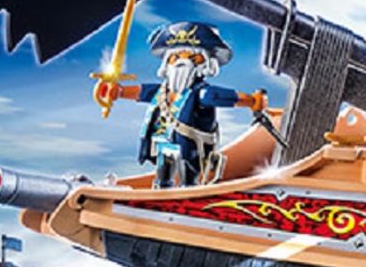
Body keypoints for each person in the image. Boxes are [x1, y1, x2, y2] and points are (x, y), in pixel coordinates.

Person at [94, 22, 267, 188]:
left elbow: (221, 97)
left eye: (193, 57)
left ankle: (188, 190)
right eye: (175, 57)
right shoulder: (163, 90)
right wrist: (118, 91)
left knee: (189, 176)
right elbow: (143, 92)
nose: (182, 61)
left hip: (190, 145)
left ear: (206, 63)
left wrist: (252, 100)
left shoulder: (201, 92)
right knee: (163, 173)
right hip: (163, 141)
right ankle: (162, 190)